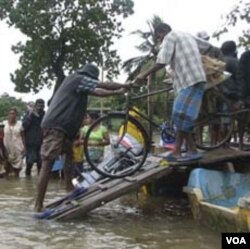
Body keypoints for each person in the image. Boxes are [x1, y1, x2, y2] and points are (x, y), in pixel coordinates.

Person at [35, 63, 129, 212]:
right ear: (88, 76)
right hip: (56, 127)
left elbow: (98, 91)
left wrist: (118, 92)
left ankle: (69, 188)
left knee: (69, 156)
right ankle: (38, 206)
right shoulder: (77, 79)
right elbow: (101, 87)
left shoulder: (76, 84)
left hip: (64, 129)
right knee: (47, 163)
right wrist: (124, 86)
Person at [134, 23, 209, 162]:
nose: (159, 41)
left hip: (190, 80)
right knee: (182, 115)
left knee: (178, 114)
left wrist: (142, 75)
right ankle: (187, 150)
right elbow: (205, 46)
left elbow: (162, 61)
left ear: (162, 32)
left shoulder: (170, 37)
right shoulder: (186, 34)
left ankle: (179, 151)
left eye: (158, 37)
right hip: (194, 78)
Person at [22, 99, 45, 176]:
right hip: (31, 143)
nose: (40, 107)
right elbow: (24, 126)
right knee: (29, 164)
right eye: (39, 105)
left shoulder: (45, 115)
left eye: (42, 105)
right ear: (35, 105)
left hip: (42, 143)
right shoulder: (29, 114)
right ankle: (27, 181)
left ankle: (40, 182)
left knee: (40, 164)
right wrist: (30, 115)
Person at [3, 107, 26, 177]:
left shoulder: (20, 124)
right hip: (6, 150)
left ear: (16, 115)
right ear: (8, 115)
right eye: (10, 114)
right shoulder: (3, 124)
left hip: (18, 150)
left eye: (14, 114)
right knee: (6, 169)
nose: (12, 115)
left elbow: (23, 137)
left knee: (17, 171)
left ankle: (16, 186)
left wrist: (25, 149)